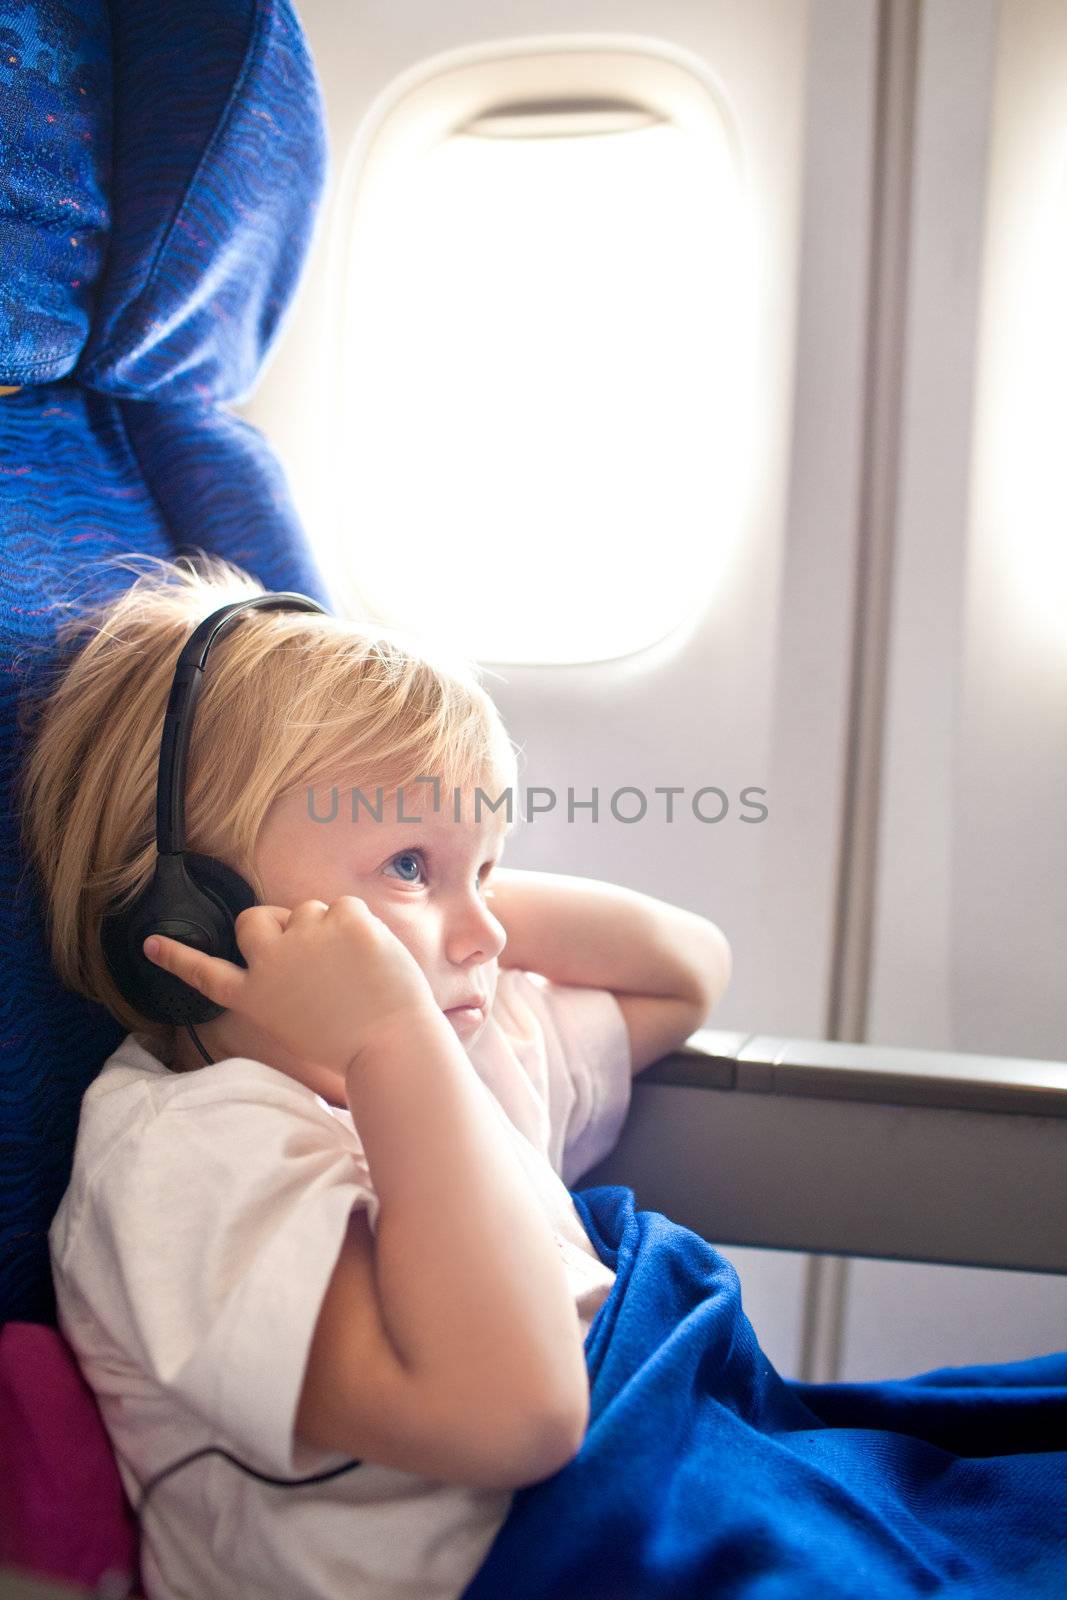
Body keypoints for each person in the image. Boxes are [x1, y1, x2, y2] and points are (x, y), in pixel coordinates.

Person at [18, 551, 731, 1600]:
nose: (488, 931)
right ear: (190, 912)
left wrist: (448, 898)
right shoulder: (186, 1164)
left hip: (685, 1480)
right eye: (405, 865)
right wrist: (393, 1034)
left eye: (487, 867)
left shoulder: (455, 1040)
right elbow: (512, 1418)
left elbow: (683, 970)